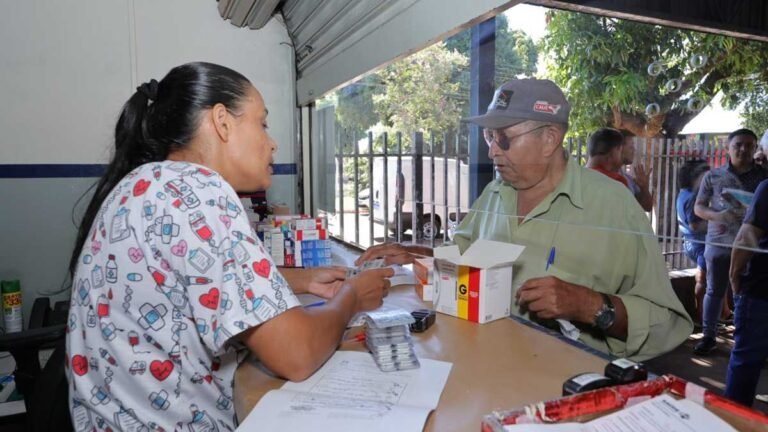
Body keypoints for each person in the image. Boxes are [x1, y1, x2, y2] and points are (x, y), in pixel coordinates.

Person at [66, 62, 393, 431]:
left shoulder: (141, 184)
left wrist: (296, 279)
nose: (272, 142)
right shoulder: (200, 190)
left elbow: (182, 276)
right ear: (222, 122)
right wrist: (351, 297)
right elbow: (298, 355)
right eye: (262, 123)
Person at [358, 78, 693, 361]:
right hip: (484, 363)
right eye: (489, 138)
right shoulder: (495, 193)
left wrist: (590, 305)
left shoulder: (613, 205)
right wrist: (414, 254)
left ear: (549, 139)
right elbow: (460, 257)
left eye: (503, 138)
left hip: (563, 383)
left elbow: (665, 321)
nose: (492, 151)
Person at [693, 128, 768, 355]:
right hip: (718, 243)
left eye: (749, 145)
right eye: (738, 144)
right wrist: (718, 216)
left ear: (756, 148)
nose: (743, 149)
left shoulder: (764, 177)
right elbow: (698, 207)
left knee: (746, 294)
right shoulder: (713, 176)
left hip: (751, 245)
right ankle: (708, 337)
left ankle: (744, 339)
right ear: (728, 147)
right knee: (714, 290)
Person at [724, 178, 768, 406]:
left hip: (761, 291)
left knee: (745, 361)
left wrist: (735, 278)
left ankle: (733, 420)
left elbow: (745, 238)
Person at [676, 159, 710, 324]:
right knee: (702, 280)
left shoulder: (684, 193)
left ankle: (721, 313)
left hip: (691, 243)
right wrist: (718, 220)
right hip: (699, 244)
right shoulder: (692, 197)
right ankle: (701, 316)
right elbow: (695, 225)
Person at [619, 130, 654, 211]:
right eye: (631, 147)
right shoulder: (601, 176)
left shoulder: (628, 179)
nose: (634, 150)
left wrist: (644, 188)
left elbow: (647, 208)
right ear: (619, 149)